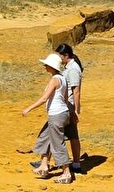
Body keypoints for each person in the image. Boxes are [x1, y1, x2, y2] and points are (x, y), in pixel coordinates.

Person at [22, 53, 73, 184]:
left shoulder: (54, 80)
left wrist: (29, 108)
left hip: (56, 115)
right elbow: (66, 98)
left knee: (57, 143)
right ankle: (44, 165)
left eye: (46, 64)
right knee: (45, 137)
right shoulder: (62, 79)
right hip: (61, 113)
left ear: (52, 66)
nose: (44, 66)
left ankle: (66, 173)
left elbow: (44, 98)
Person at [54, 43, 85, 171]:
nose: (58, 59)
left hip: (69, 106)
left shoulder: (72, 69)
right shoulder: (69, 67)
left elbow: (76, 91)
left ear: (66, 55)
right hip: (67, 106)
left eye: (59, 56)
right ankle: (76, 164)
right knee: (71, 135)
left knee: (59, 133)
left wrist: (76, 110)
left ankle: (46, 161)